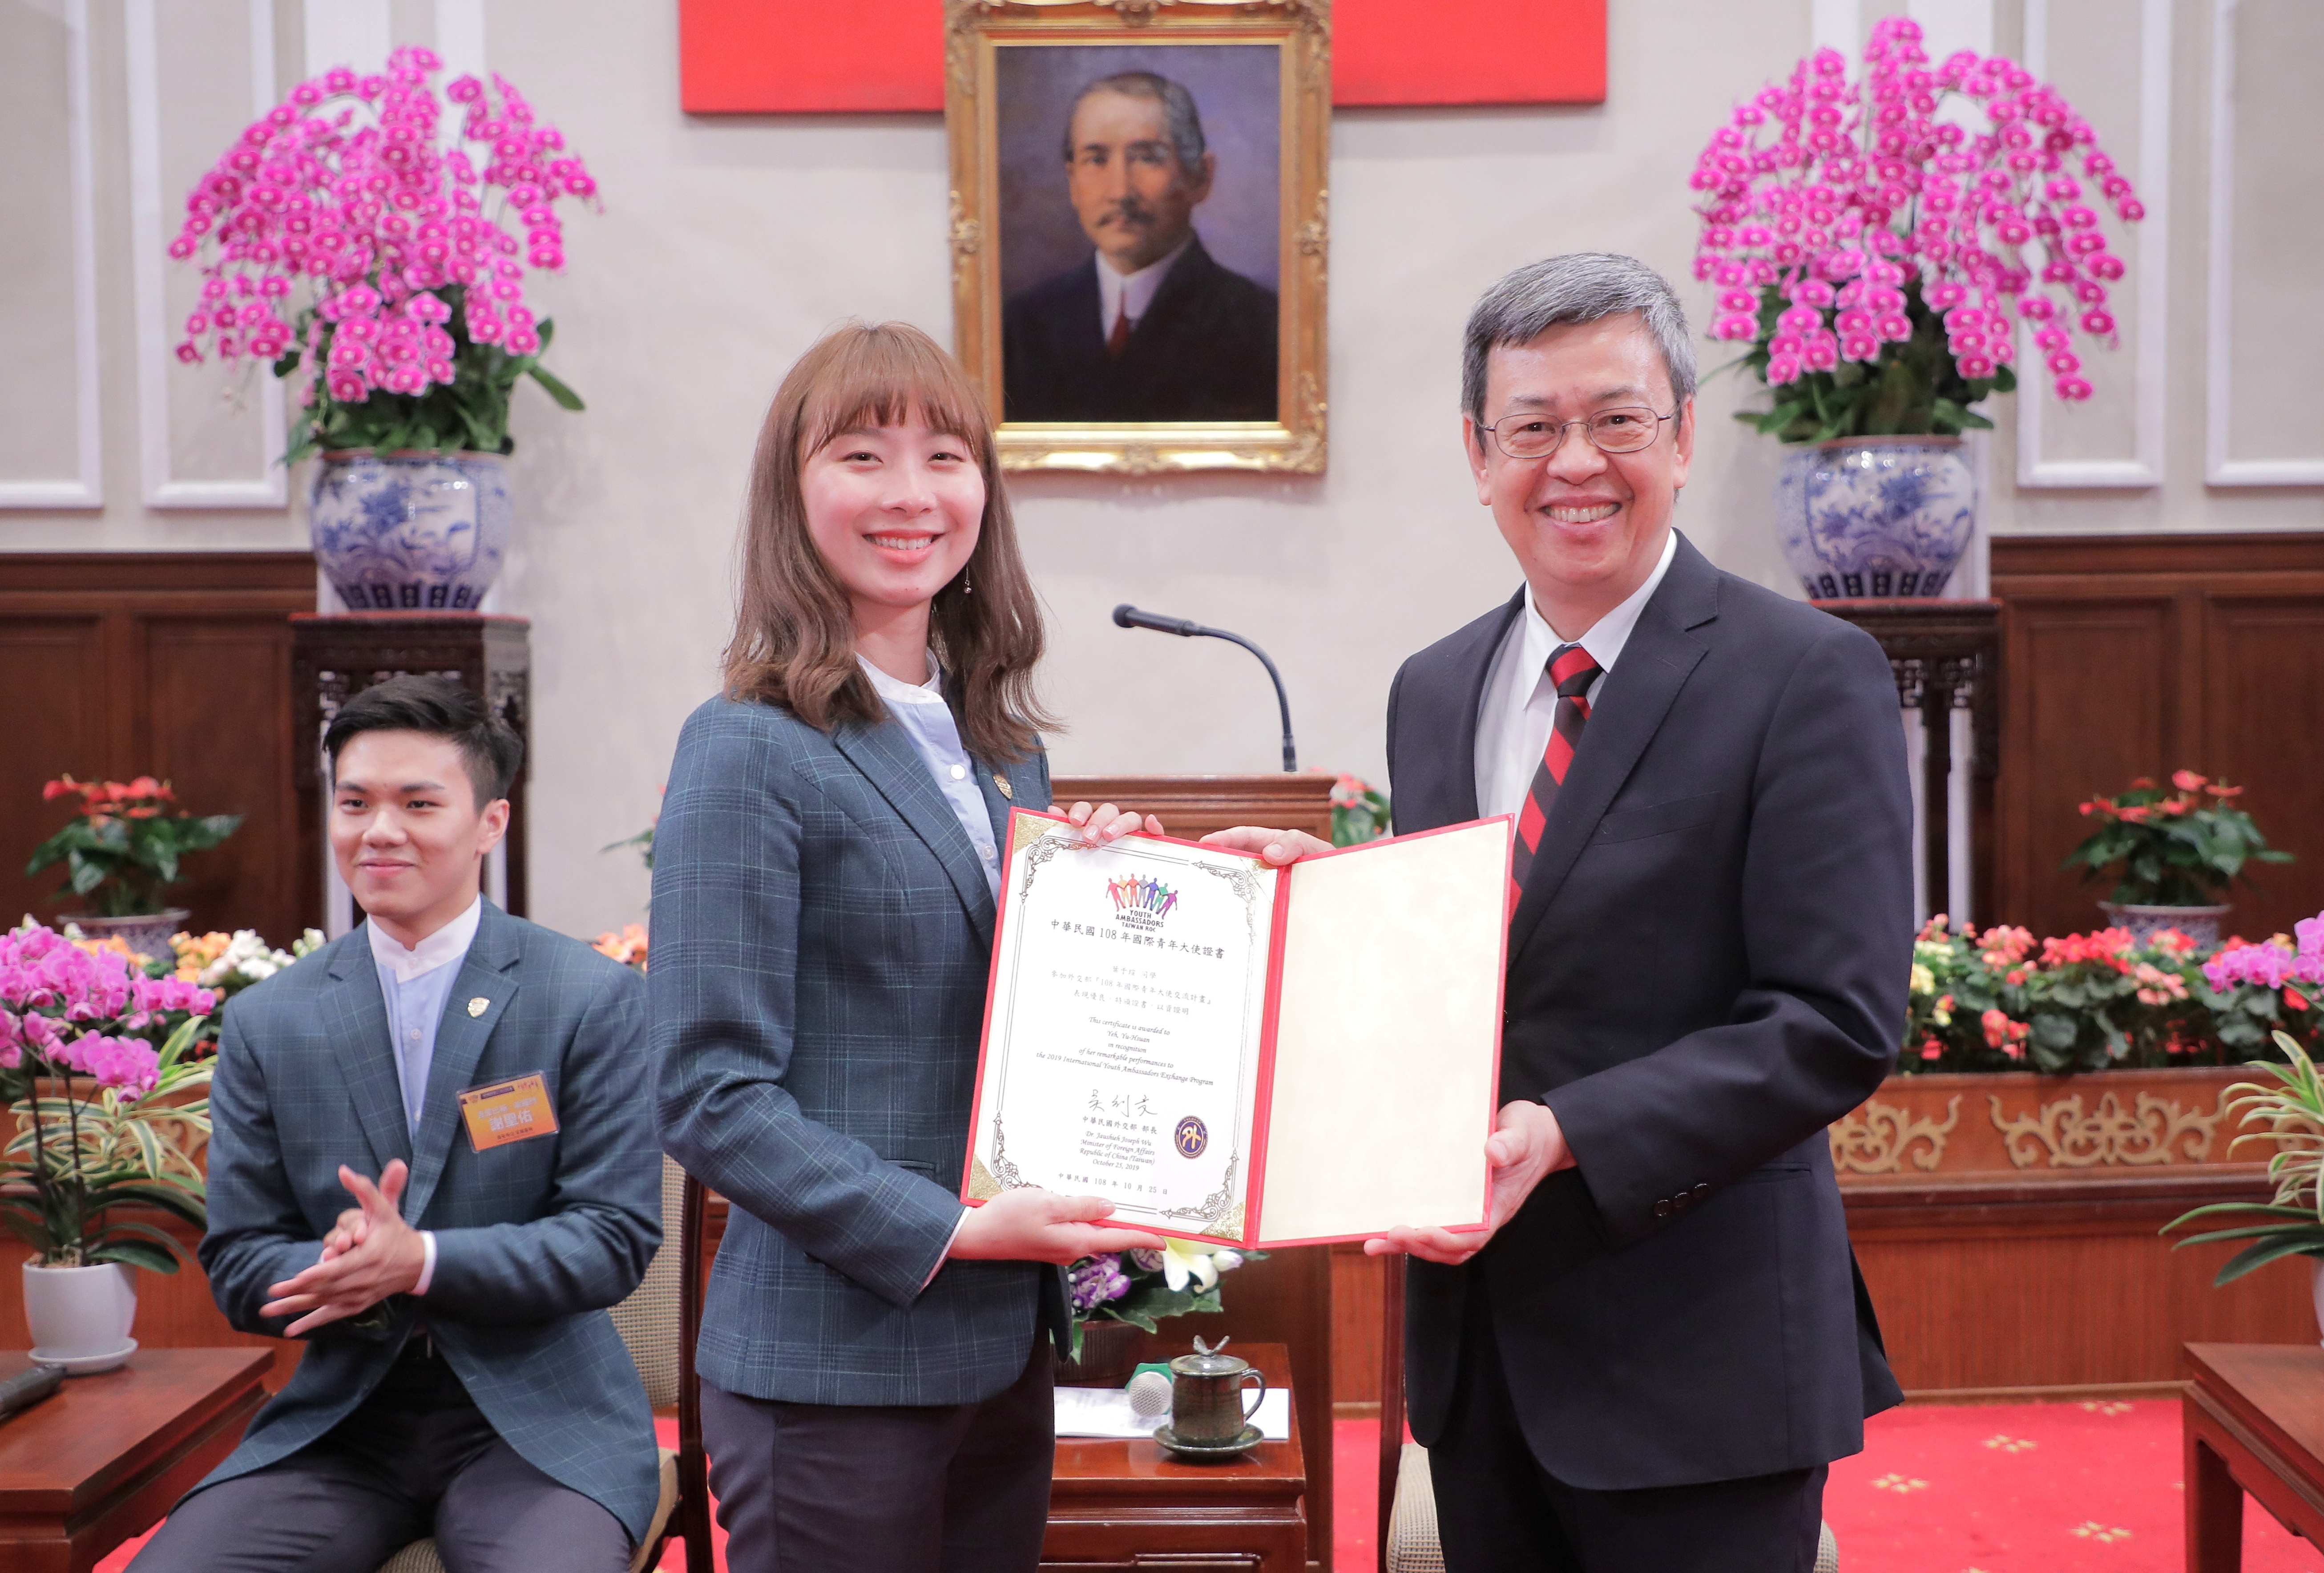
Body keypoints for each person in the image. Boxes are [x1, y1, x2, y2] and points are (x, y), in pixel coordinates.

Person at [1206, 253, 1910, 1572]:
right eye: (1532, 426)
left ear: (1683, 436)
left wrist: (1567, 1131)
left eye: (1616, 419)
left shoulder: (1807, 675)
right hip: (1481, 1360)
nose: (1574, 461)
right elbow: (1479, 957)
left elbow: (1835, 1021)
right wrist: (1326, 905)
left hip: (1702, 1364)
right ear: (1479, 456)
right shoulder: (1436, 687)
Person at [651, 320, 1163, 1573]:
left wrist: (1106, 900)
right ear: (793, 491)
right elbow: (710, 1094)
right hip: (832, 1366)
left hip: (995, 1353)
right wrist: (952, 1229)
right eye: (862, 455)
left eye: (945, 455)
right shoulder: (746, 744)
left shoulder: (998, 748)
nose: (911, 493)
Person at [132, 675, 662, 1573]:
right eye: (355, 803)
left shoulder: (587, 998)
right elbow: (239, 1264)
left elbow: (612, 1240)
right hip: (343, 1424)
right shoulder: (271, 1020)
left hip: (538, 1425)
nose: (379, 831)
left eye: (418, 804)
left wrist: (418, 1260)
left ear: (489, 823)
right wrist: (335, 1265)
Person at [1001, 70, 1279, 423]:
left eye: (1148, 157)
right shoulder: (1021, 327)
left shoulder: (1261, 327)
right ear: (1073, 182)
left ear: (1199, 177)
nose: (1120, 191)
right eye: (1096, 159)